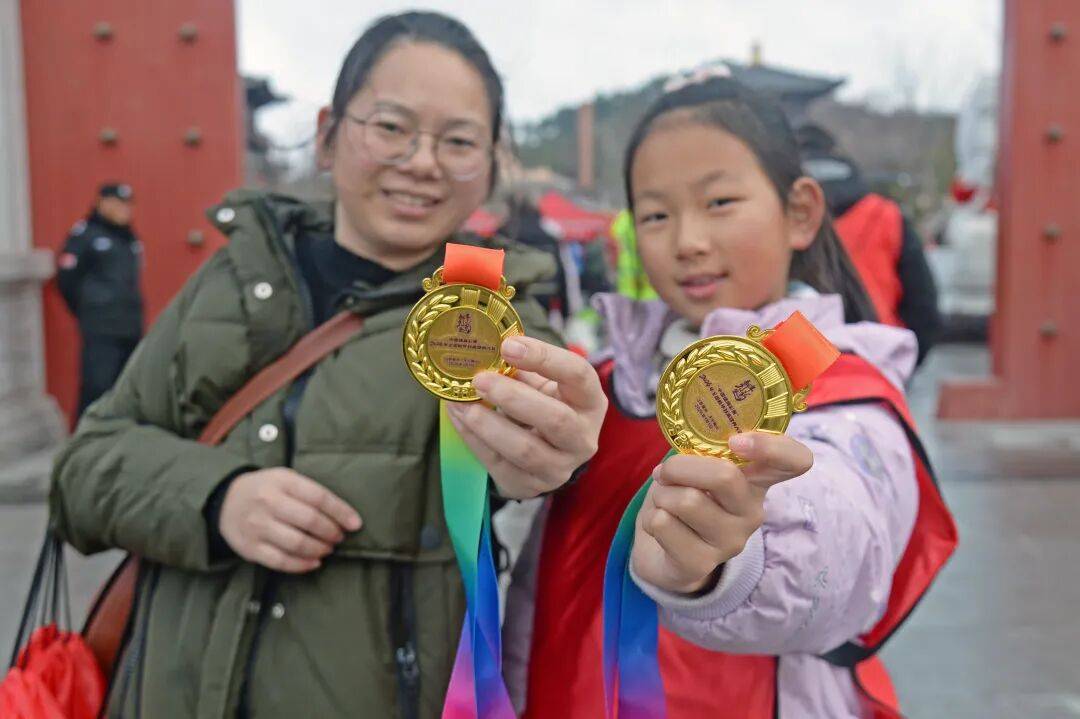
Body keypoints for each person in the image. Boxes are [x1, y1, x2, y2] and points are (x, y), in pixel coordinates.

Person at [49, 12, 607, 718]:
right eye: (392, 127)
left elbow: (541, 447)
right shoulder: (230, 282)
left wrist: (554, 456)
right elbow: (82, 472)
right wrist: (216, 498)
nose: (423, 161)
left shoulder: (495, 318)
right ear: (327, 133)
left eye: (459, 140)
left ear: (493, 164)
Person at [509, 77, 956, 718]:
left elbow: (849, 535)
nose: (687, 241)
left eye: (719, 202)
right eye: (656, 215)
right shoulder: (608, 382)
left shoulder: (844, 390)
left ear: (800, 212)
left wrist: (736, 552)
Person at [797, 124, 943, 365]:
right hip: (879, 355)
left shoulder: (779, 217)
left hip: (798, 361)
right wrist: (902, 365)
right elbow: (923, 306)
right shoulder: (887, 215)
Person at [56, 182, 144, 415]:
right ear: (102, 203)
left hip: (129, 325)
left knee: (127, 389)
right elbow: (66, 279)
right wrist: (90, 308)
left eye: (127, 204)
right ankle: (85, 436)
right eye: (118, 203)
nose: (124, 209)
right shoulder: (86, 234)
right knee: (97, 386)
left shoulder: (128, 237)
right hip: (101, 327)